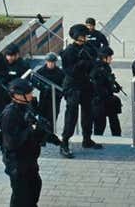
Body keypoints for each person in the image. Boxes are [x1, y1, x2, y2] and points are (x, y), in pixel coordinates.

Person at [0, 79, 61, 207]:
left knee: (35, 187)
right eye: (28, 93)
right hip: (17, 162)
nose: (31, 95)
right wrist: (30, 129)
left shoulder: (26, 107)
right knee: (21, 196)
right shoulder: (9, 114)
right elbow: (11, 143)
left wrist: (50, 137)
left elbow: (37, 127)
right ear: (18, 96)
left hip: (29, 158)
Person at [60, 24, 102, 158]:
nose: (85, 38)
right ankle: (65, 142)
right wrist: (82, 63)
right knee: (71, 116)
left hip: (86, 85)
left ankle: (87, 139)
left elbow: (95, 60)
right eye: (83, 36)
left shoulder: (88, 48)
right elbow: (68, 71)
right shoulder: (69, 51)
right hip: (73, 86)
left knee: (88, 114)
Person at [90, 46, 122, 136]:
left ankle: (117, 136)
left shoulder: (106, 67)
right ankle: (98, 139)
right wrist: (111, 88)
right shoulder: (96, 69)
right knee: (100, 123)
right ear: (104, 58)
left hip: (107, 98)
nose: (111, 58)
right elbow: (98, 86)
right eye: (110, 57)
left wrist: (113, 88)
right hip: (99, 100)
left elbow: (108, 83)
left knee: (114, 120)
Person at [33, 52, 65, 124]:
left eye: (52, 62)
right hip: (44, 97)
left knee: (53, 117)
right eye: (49, 62)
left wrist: (60, 94)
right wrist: (42, 87)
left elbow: (63, 85)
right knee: (42, 116)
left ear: (55, 62)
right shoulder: (41, 71)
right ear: (46, 61)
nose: (50, 64)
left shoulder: (60, 73)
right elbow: (34, 80)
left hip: (55, 97)